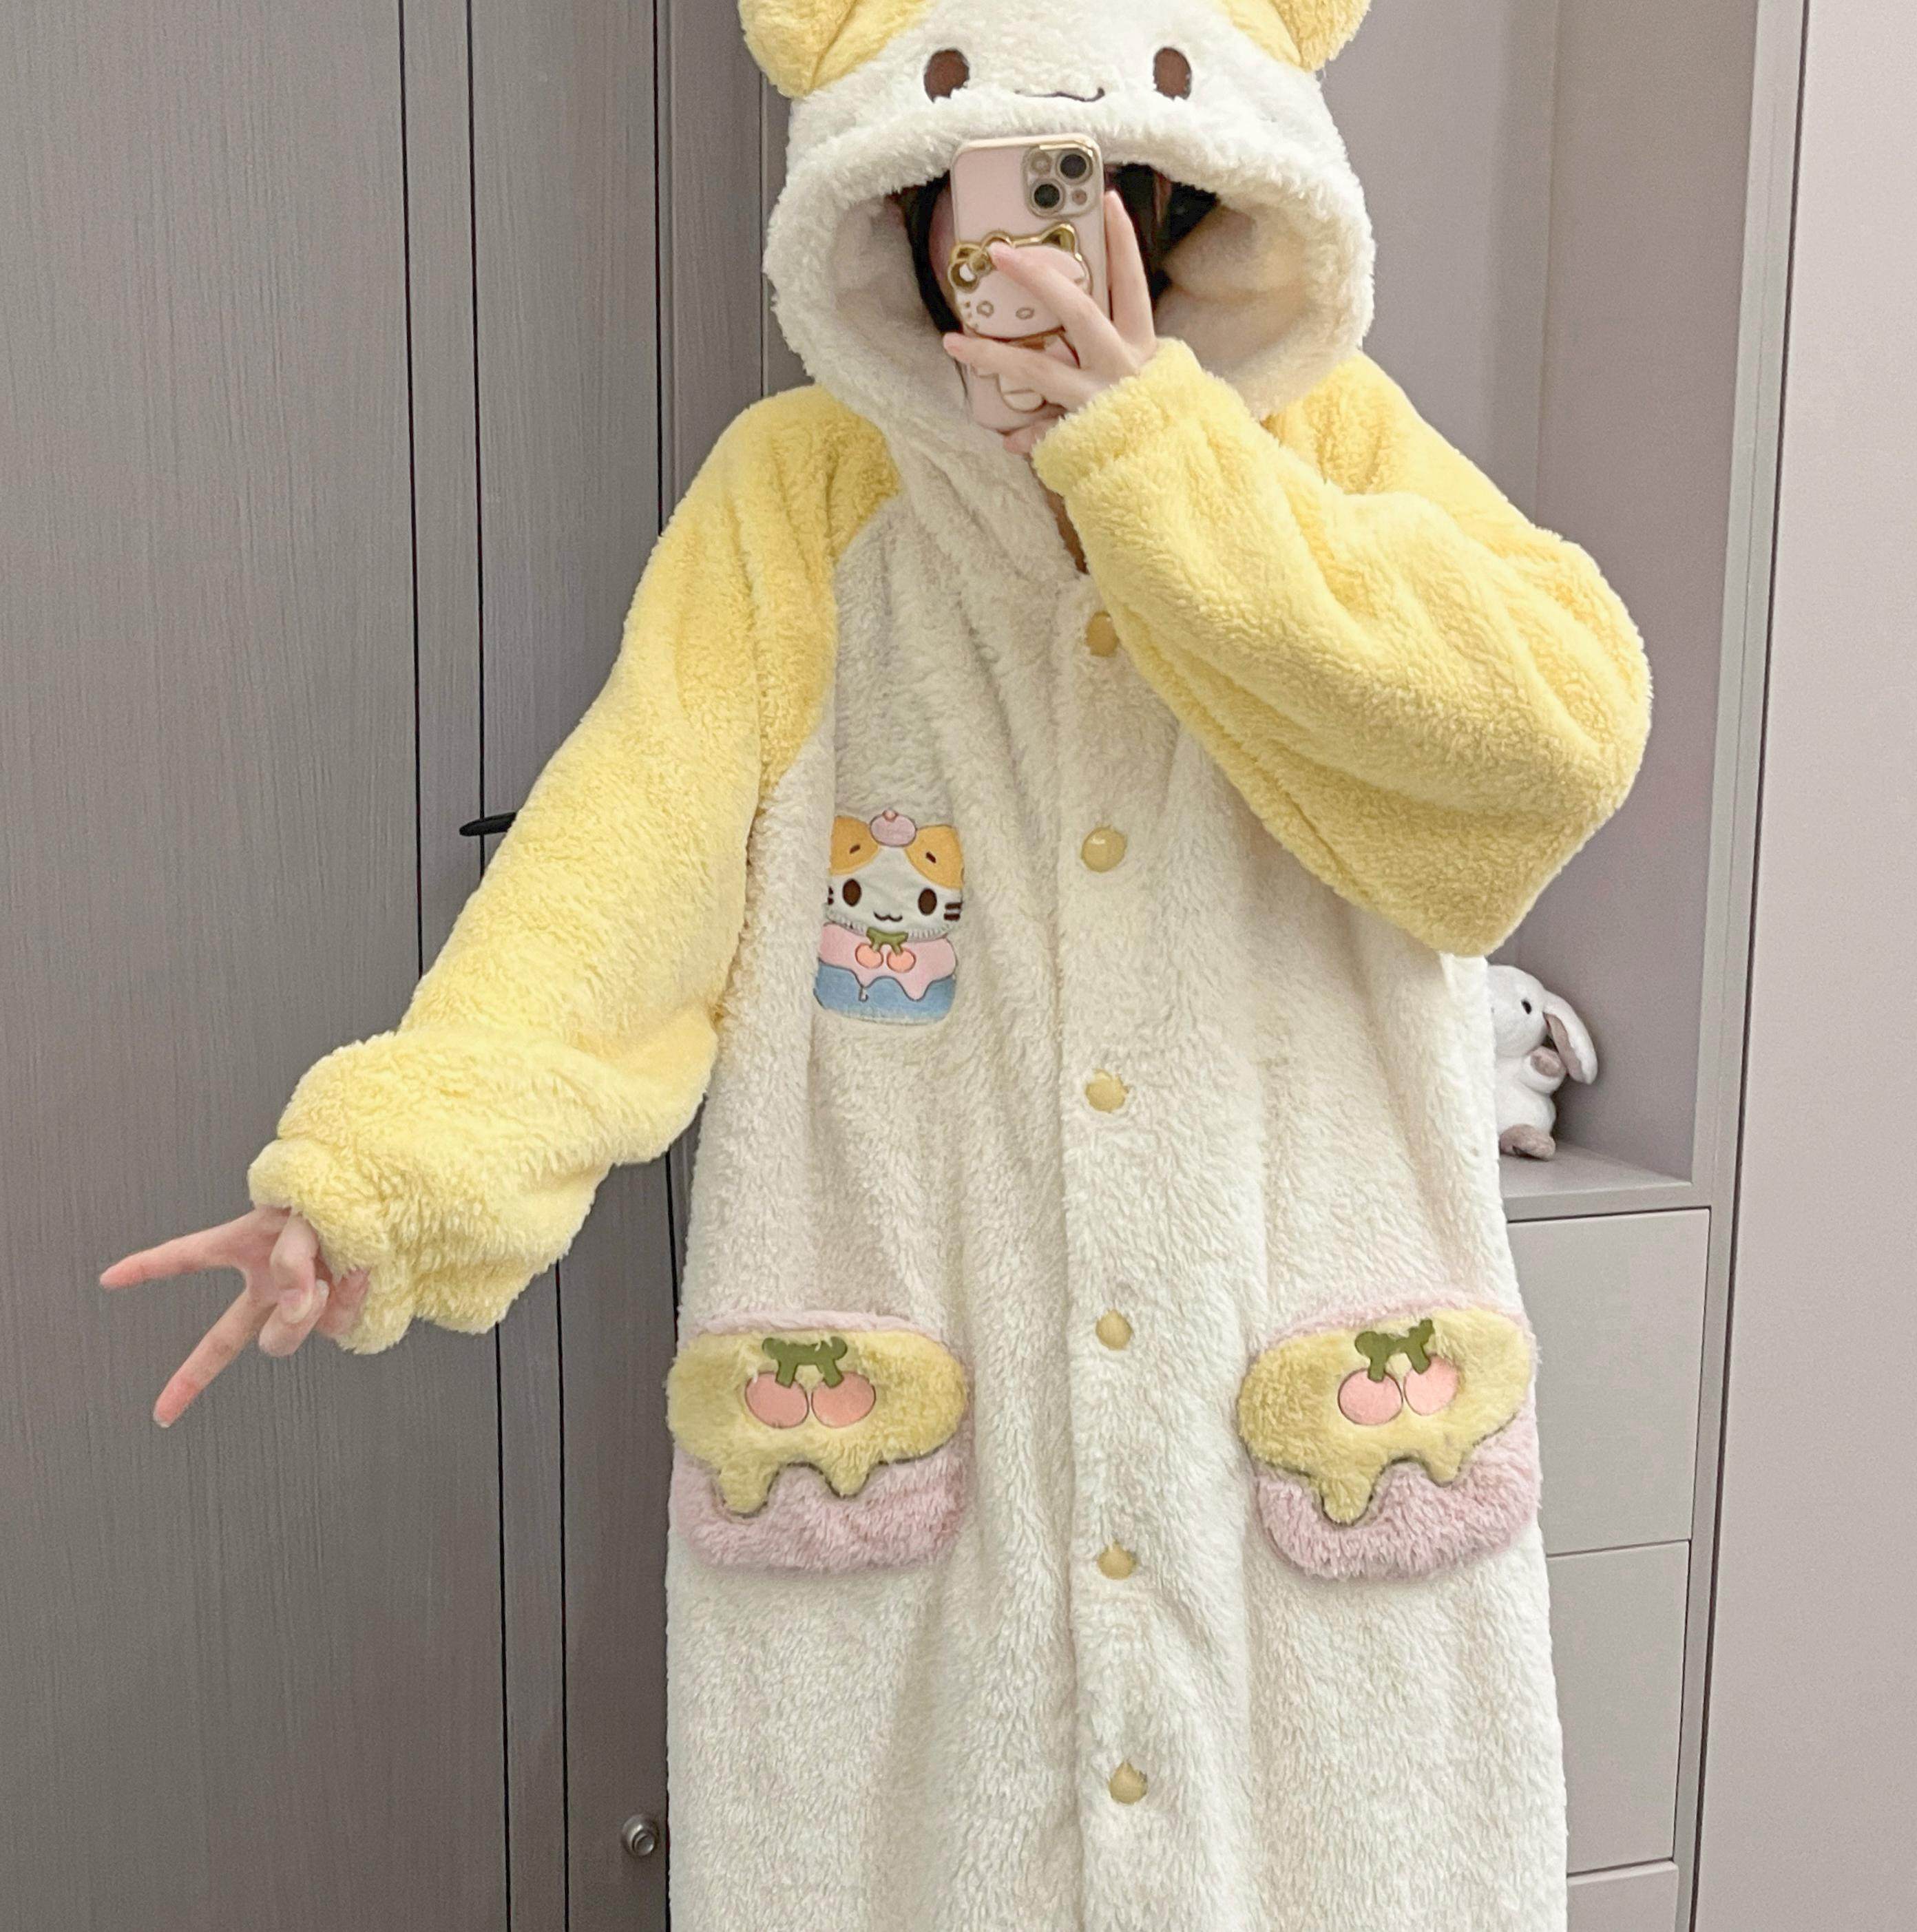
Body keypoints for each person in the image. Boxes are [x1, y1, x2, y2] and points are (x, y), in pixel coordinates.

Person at [104, 2, 1650, 1926]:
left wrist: (1155, 456)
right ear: (901, 198)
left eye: (1098, 182)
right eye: (987, 185)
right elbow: (621, 869)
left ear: (1184, 197)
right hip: (914, 1428)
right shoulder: (806, 497)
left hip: (1295, 1419)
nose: (1035, 236)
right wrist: (393, 1175)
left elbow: (1553, 739)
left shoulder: (1329, 443)